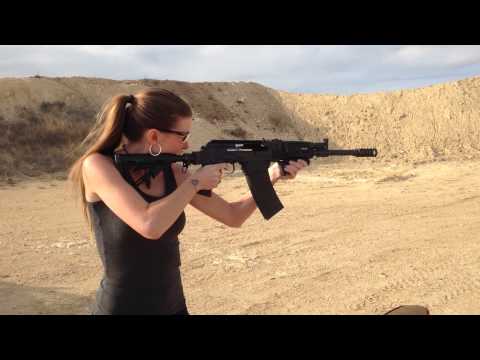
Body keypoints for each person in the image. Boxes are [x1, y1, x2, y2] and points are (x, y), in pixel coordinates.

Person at [68, 88, 309, 315]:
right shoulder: (99, 166)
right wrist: (195, 182)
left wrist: (272, 175)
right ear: (153, 135)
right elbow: (149, 224)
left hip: (173, 306)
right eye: (183, 135)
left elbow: (233, 216)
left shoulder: (173, 172)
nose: (186, 144)